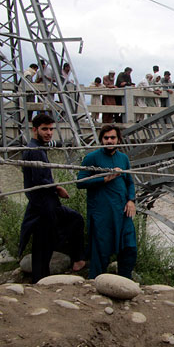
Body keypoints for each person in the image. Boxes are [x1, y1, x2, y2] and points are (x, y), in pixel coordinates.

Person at [19, 113, 86, 283]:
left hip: (42, 203)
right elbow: (39, 180)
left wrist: (55, 188)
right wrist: (57, 188)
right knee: (45, 243)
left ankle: (43, 277)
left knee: (45, 243)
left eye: (51, 129)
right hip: (43, 205)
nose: (49, 133)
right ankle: (42, 279)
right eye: (45, 129)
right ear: (35, 130)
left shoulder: (37, 148)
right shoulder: (35, 151)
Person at [77, 125, 137, 280]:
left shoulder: (123, 158)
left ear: (118, 139)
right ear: (101, 139)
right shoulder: (92, 157)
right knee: (101, 249)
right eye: (106, 138)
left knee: (129, 247)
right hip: (102, 212)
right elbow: (80, 182)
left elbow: (130, 182)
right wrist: (104, 178)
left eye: (113, 138)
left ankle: (125, 281)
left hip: (122, 211)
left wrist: (131, 200)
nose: (109, 141)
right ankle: (95, 282)